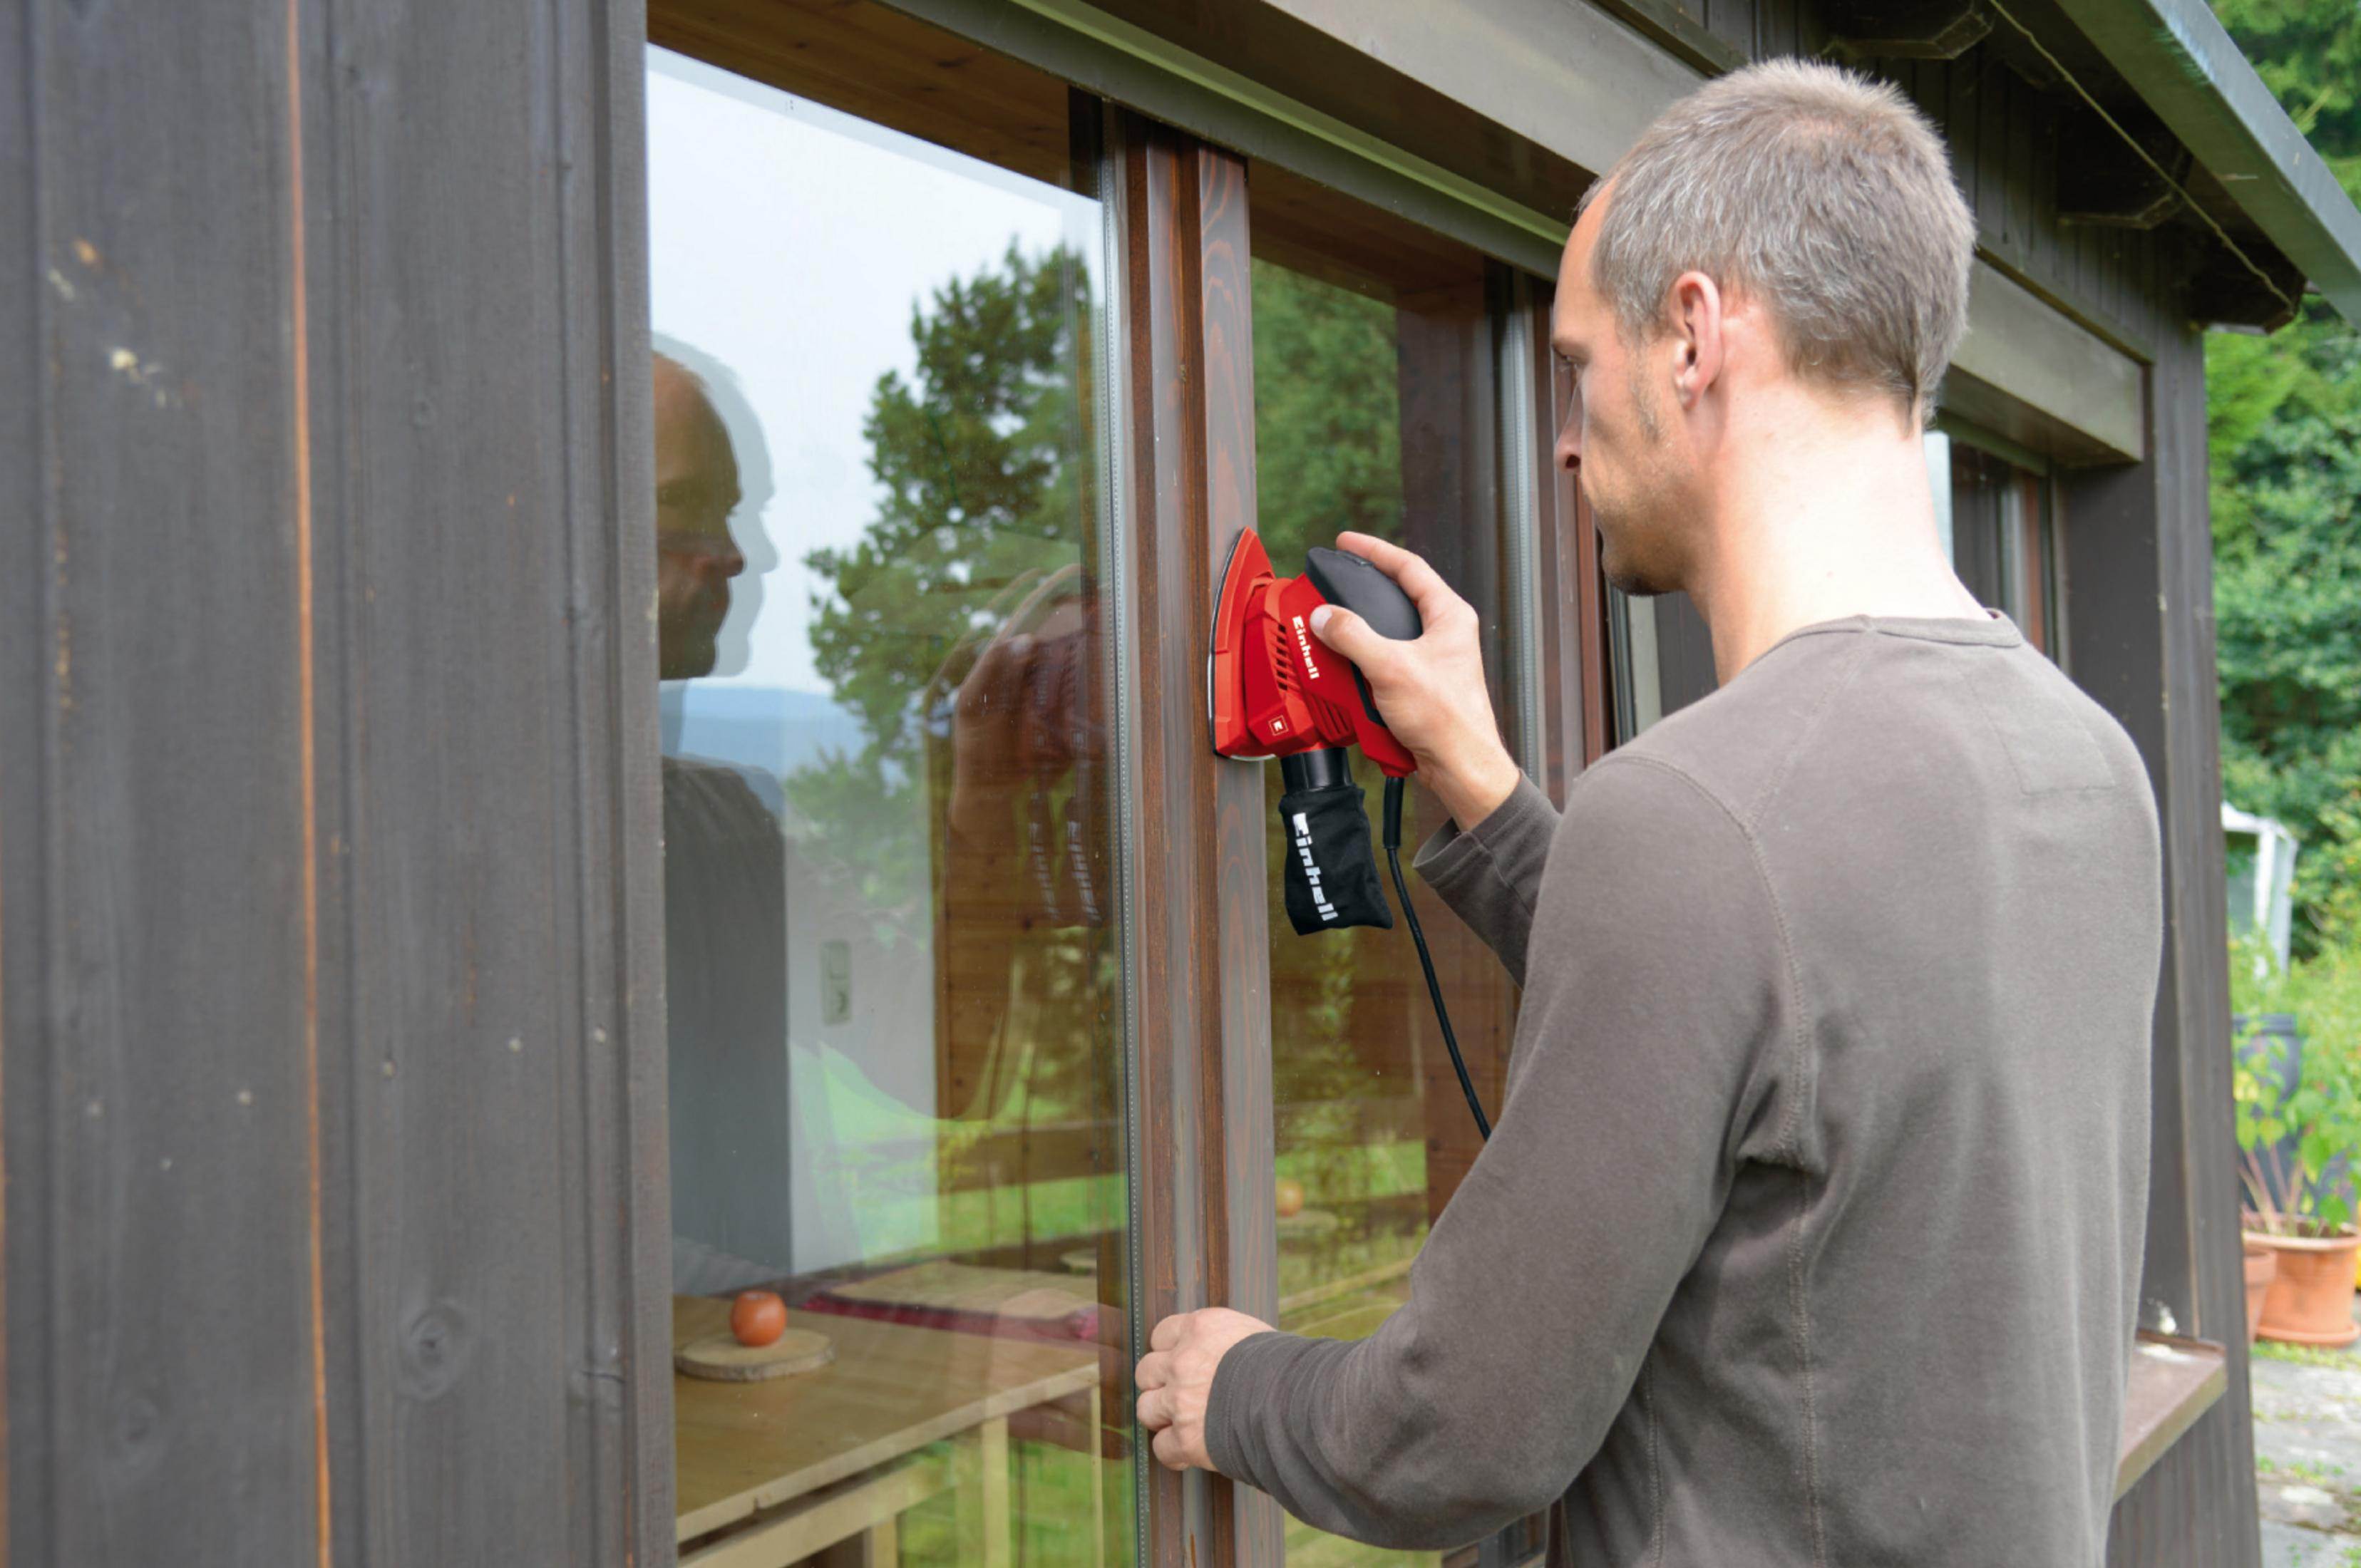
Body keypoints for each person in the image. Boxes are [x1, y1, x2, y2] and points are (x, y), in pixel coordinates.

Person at [1135, 59, 2160, 1566]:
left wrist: (1242, 1387)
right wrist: (1481, 788)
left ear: (1692, 334)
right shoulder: (2084, 760)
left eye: (1575, 362)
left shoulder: (1698, 816)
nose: (1563, 435)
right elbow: (1784, 1026)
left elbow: (1462, 1428)